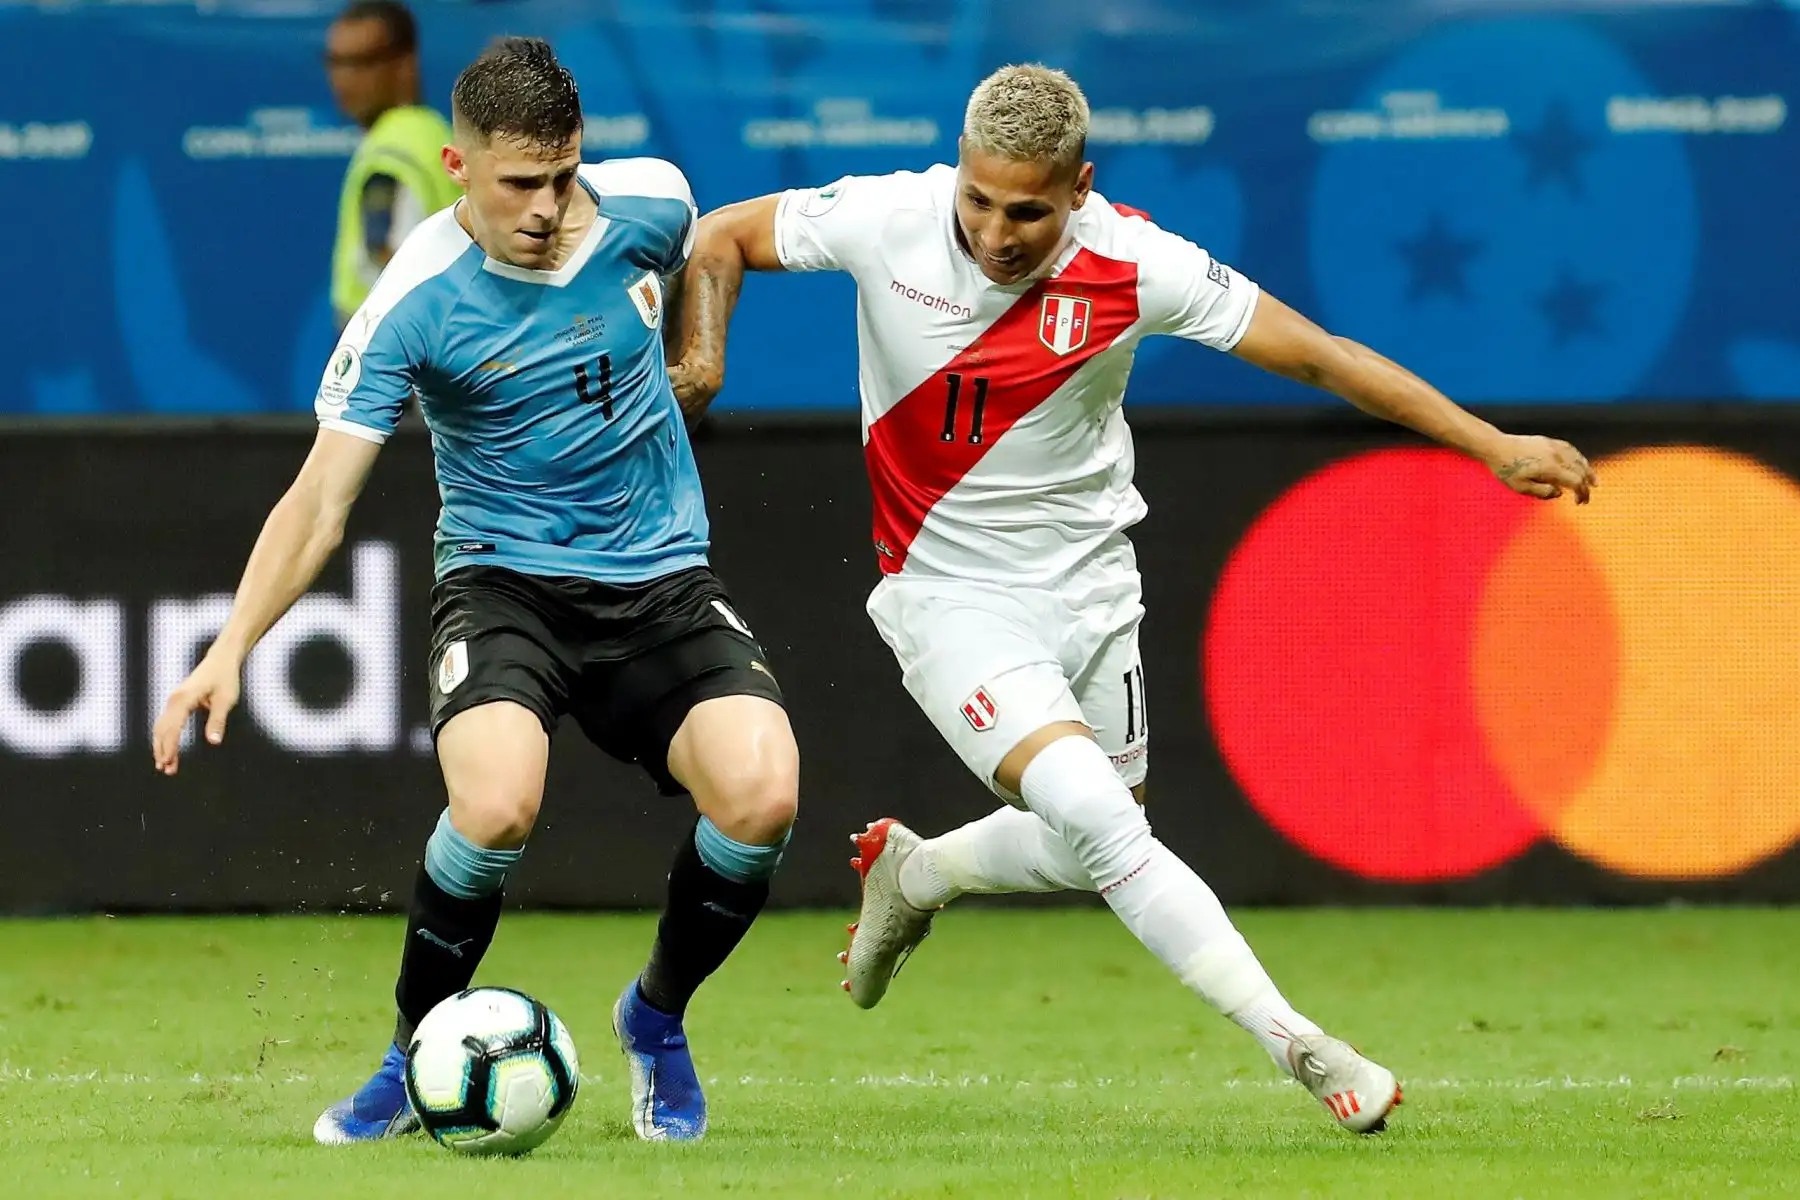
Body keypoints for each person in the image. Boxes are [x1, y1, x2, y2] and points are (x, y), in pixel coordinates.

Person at [666, 63, 1597, 1135]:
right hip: (948, 593)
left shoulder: (1136, 262)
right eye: (978, 199)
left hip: (1094, 588)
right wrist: (701, 364)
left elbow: (1322, 358)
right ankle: (1303, 1044)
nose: (996, 232)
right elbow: (722, 234)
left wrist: (1492, 446)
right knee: (1104, 826)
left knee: (1084, 839)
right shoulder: (889, 216)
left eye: (1027, 209)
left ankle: (920, 874)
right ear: (957, 173)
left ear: (1078, 188)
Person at [153, 37, 797, 1145]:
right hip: (506, 588)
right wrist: (229, 647)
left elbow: (703, 254)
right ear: (458, 166)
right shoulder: (413, 303)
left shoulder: (647, 201)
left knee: (763, 798)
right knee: (495, 802)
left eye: (563, 176)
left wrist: (697, 356)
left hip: (660, 580)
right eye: (520, 184)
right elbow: (318, 504)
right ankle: (412, 1054)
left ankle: (654, 1017)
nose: (550, 208)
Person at [324, 0, 463, 329]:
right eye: (335, 63)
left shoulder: (392, 147)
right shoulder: (434, 132)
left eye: (360, 63)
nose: (343, 79)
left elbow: (384, 252)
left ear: (405, 63)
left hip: (384, 354)